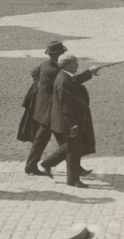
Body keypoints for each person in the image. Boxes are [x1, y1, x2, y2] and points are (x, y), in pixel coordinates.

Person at [40, 54, 97, 187]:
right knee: (73, 148)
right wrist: (73, 126)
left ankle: (49, 163)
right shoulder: (64, 80)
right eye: (74, 63)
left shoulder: (64, 76)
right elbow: (65, 106)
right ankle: (72, 179)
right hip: (68, 123)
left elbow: (75, 81)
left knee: (72, 146)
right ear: (66, 65)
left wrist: (90, 72)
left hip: (66, 122)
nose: (77, 65)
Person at [21, 40, 68, 175]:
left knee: (44, 139)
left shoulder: (44, 65)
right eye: (61, 53)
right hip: (51, 111)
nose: (62, 55)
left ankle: (31, 166)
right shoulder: (55, 70)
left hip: (44, 110)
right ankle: (74, 167)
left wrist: (43, 87)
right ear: (55, 55)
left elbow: (34, 73)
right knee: (65, 140)